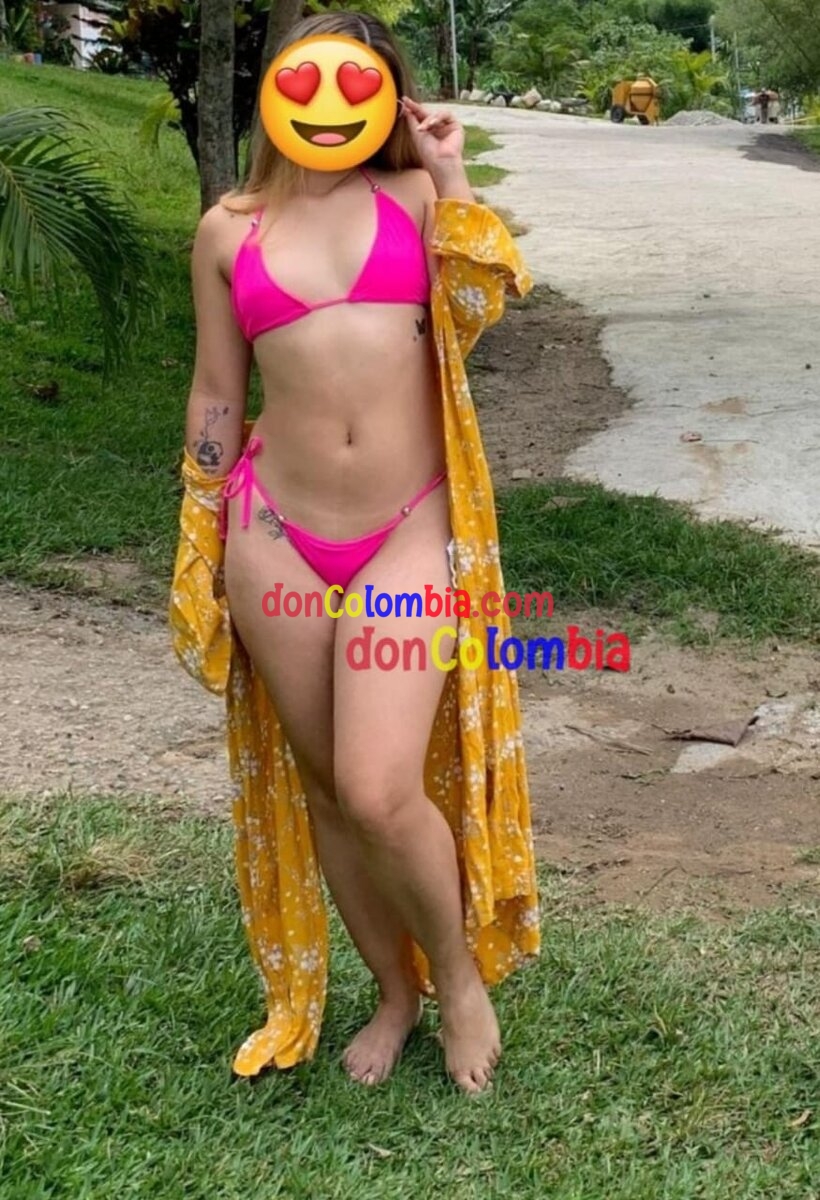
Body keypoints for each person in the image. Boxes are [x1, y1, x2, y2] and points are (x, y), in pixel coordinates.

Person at [170, 9, 540, 1095]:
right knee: (330, 789)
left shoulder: (418, 202)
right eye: (307, 81)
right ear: (275, 93)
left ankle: (459, 983)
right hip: (272, 535)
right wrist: (200, 523)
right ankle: (393, 991)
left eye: (355, 83)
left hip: (408, 529)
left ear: (384, 99)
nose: (328, 105)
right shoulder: (228, 228)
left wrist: (451, 171)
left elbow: (474, 312)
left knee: (379, 788)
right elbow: (217, 390)